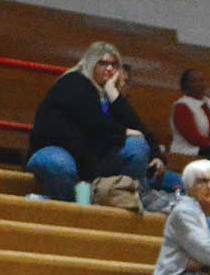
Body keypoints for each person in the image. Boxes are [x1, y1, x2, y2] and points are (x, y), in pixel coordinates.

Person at [25, 43, 153, 203]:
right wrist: (124, 132)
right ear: (90, 63)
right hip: (55, 151)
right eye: (102, 63)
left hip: (91, 159)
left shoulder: (109, 93)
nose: (109, 69)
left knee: (137, 146)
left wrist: (113, 93)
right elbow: (92, 123)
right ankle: (72, 207)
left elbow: (138, 128)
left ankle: (131, 200)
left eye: (113, 65)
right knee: (60, 164)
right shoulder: (73, 81)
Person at [168, 69, 210, 159]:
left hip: (209, 150)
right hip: (187, 153)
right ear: (185, 85)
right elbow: (193, 138)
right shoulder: (181, 106)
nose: (199, 84)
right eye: (193, 81)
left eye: (201, 80)